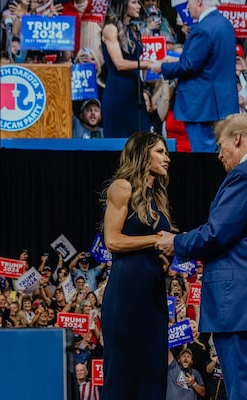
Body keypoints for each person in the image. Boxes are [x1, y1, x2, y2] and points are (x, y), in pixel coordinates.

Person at [157, 113, 247, 400]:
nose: (219, 155)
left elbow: (216, 233)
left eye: (220, 146)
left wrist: (177, 242)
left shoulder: (245, 175)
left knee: (244, 393)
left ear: (237, 138)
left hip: (241, 306)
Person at [101, 131, 174, 399]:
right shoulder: (122, 187)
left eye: (166, 152)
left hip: (153, 294)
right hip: (126, 294)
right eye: (160, 152)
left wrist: (167, 258)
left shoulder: (157, 195)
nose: (167, 158)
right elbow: (112, 240)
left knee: (153, 375)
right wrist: (156, 240)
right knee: (123, 377)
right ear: (143, 154)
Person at [149, 0, 238, 152]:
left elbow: (189, 66)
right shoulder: (225, 24)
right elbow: (210, 61)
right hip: (222, 102)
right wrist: (178, 60)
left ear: (199, 1)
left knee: (203, 154)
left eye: (188, 2)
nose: (187, 6)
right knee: (221, 154)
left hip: (202, 105)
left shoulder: (203, 28)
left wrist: (162, 67)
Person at [101, 0, 152, 137]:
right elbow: (119, 63)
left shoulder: (132, 29)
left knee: (142, 139)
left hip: (135, 92)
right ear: (122, 4)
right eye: (134, 2)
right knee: (119, 141)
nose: (139, 6)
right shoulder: (110, 29)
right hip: (118, 92)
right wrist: (151, 64)